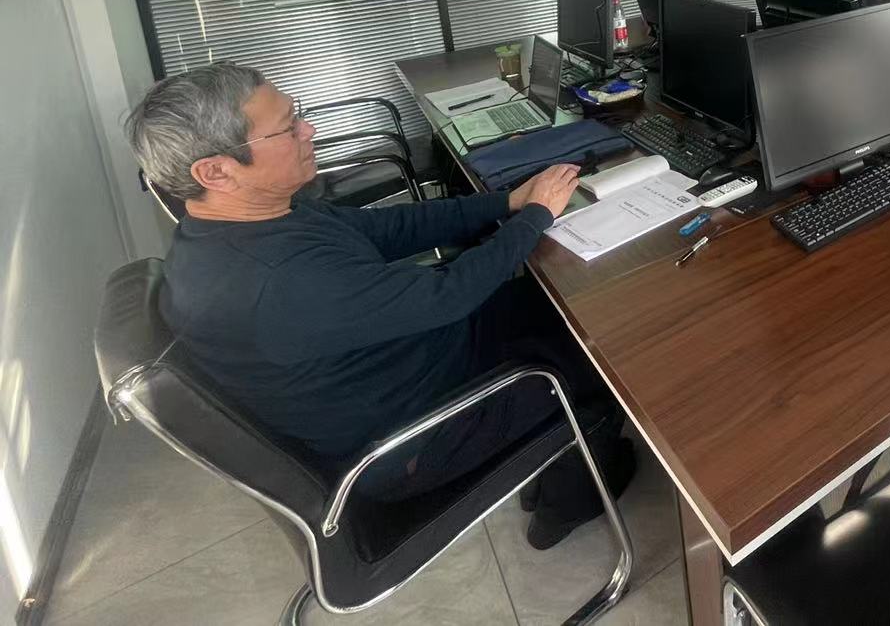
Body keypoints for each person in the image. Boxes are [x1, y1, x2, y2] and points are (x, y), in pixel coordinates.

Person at [125, 62, 636, 550]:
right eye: (287, 128)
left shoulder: (247, 220)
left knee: (573, 304)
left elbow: (387, 229)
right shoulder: (273, 282)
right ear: (216, 172)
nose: (308, 130)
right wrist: (536, 217)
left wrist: (508, 203)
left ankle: (562, 461)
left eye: (298, 114)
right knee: (612, 352)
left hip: (408, 364)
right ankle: (567, 505)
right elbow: (447, 295)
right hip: (414, 439)